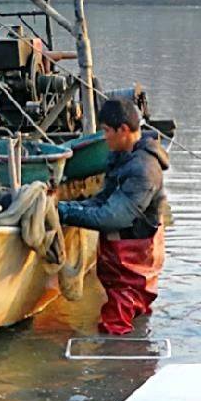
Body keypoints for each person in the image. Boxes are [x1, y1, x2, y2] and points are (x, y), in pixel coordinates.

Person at [56, 97, 169, 336]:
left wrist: (64, 213)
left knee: (115, 323)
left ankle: (121, 368)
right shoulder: (122, 157)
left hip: (134, 260)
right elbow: (103, 198)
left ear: (124, 130)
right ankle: (140, 352)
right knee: (131, 310)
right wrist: (68, 207)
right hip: (121, 258)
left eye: (107, 131)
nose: (104, 137)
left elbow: (111, 217)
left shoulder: (143, 170)